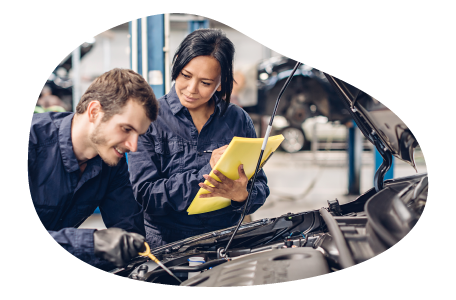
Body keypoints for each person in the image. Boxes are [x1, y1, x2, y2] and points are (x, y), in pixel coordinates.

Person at [128, 28, 270, 248]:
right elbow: (145, 196)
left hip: (225, 241)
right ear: (177, 63)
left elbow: (260, 186)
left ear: (221, 82)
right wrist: (208, 173)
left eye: (205, 83)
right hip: (166, 245)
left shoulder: (237, 120)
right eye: (185, 76)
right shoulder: (151, 118)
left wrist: (241, 195)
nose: (191, 89)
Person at [28, 68, 159, 266]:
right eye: (126, 129)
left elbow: (129, 233)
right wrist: (92, 243)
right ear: (94, 112)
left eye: (138, 135)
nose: (132, 146)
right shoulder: (31, 144)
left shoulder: (111, 163)